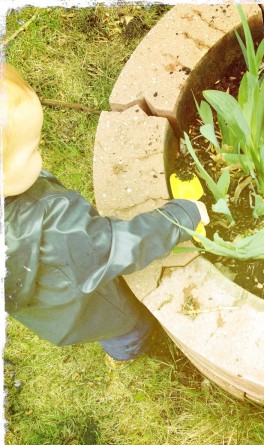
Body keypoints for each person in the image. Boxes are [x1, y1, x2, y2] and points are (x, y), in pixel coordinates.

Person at [2, 63, 209, 365]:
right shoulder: (50, 225)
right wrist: (182, 217)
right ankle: (128, 351)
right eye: (32, 150)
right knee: (126, 328)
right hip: (94, 308)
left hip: (50, 309)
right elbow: (117, 245)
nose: (42, 148)